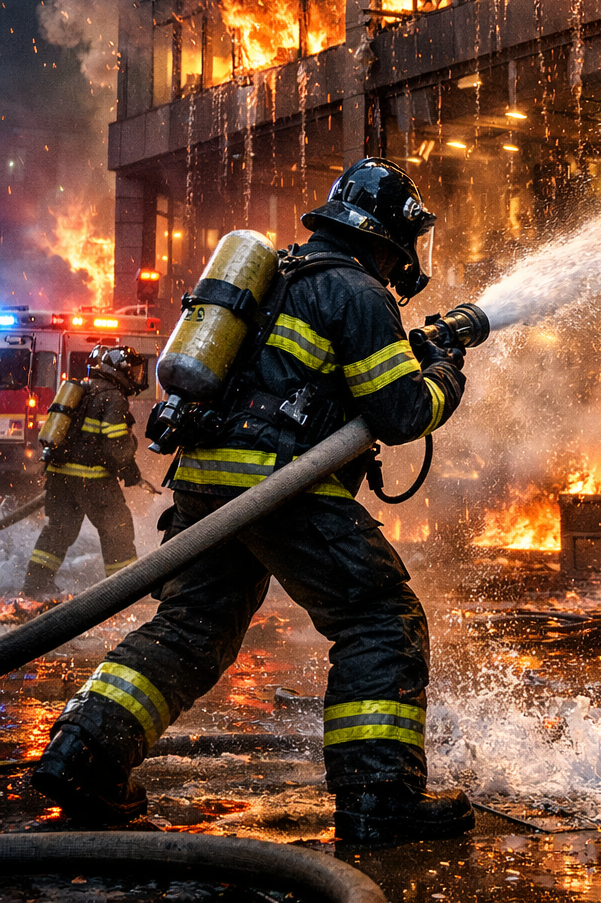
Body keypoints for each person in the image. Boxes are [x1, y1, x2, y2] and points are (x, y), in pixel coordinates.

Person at [33, 159, 473, 849]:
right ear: (390, 235)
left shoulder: (276, 278)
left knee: (192, 626)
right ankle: (380, 797)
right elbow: (402, 412)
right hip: (281, 485)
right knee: (380, 619)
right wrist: (445, 372)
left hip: (206, 482)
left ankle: (85, 754)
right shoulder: (357, 291)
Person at [22, 346, 146, 600]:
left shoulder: (82, 389)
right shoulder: (113, 396)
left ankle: (36, 584)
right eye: (132, 371)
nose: (135, 377)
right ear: (120, 370)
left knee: (59, 530)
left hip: (59, 476)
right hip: (93, 480)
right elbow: (116, 443)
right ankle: (125, 589)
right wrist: (128, 464)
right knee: (117, 528)